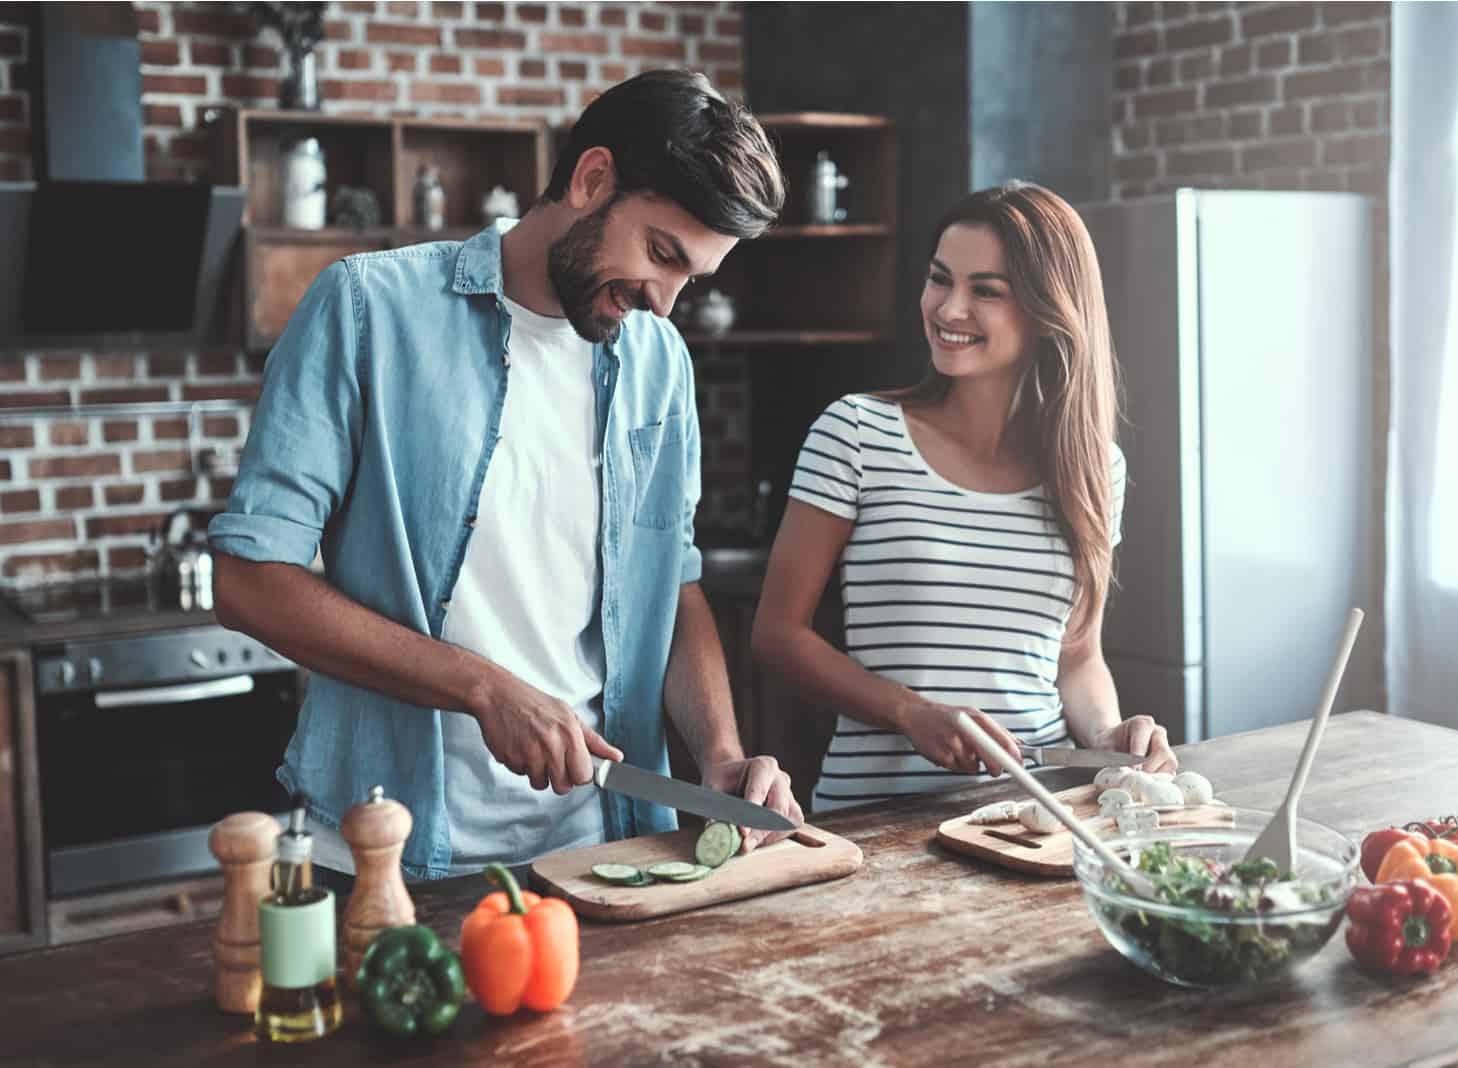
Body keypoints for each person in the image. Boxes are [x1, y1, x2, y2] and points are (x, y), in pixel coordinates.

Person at [209, 70, 804, 882]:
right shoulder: (366, 311)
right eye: (662, 253)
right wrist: (484, 688)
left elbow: (675, 585)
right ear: (592, 180)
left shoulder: (658, 361)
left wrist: (722, 758)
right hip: (390, 852)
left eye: (690, 278)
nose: (665, 303)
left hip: (604, 850)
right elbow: (248, 580)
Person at [751, 181, 1178, 812]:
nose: (949, 309)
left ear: (1045, 309)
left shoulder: (1095, 468)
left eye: (986, 291)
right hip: (877, 816)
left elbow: (1077, 659)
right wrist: (910, 712)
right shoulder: (856, 433)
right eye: (940, 279)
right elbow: (777, 634)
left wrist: (1109, 738)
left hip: (1037, 813)